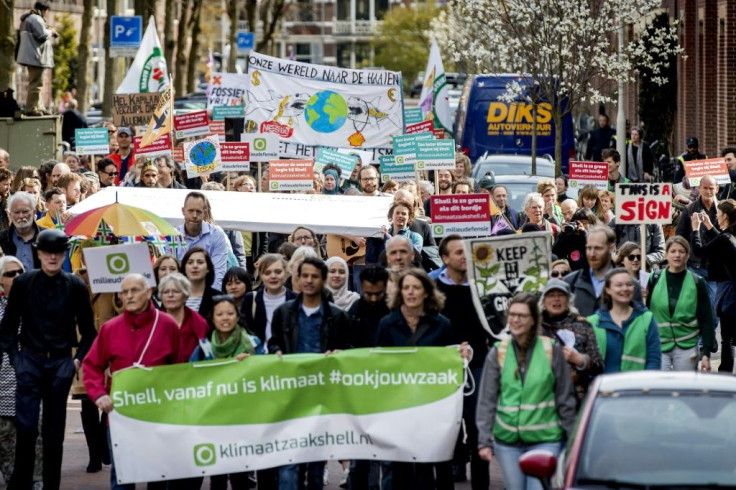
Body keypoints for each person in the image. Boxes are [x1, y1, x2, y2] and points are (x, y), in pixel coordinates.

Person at [0, 229, 96, 489]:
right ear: (39, 254)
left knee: (54, 435)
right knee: (26, 429)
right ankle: (21, 484)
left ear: (64, 254)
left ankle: (51, 486)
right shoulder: (23, 283)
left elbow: (89, 332)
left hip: (60, 364)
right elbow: (7, 329)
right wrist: (17, 360)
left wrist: (75, 363)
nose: (53, 257)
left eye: (58, 252)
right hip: (29, 362)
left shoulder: (75, 285)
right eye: (47, 252)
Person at [83, 273, 181, 490]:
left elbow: (180, 369)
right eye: (124, 291)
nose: (128, 296)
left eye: (134, 290)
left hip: (159, 415)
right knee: (122, 478)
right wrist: (99, 394)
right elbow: (91, 366)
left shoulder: (167, 325)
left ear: (148, 292)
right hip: (121, 417)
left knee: (159, 478)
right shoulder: (110, 328)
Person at [378, 268, 469, 489]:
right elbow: (379, 364)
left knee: (436, 463)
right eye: (406, 287)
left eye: (416, 287)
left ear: (426, 292)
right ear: (400, 292)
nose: (411, 292)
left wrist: (461, 354)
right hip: (400, 407)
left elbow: (451, 359)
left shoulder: (442, 324)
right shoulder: (387, 324)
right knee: (401, 467)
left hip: (433, 407)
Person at [476, 293, 576, 490]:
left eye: (521, 315)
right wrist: (484, 441)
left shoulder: (551, 349)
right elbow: (487, 400)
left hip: (545, 440)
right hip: (507, 443)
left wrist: (572, 440)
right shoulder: (498, 352)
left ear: (534, 320)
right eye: (512, 314)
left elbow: (565, 398)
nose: (515, 320)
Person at [268, 256, 351, 490]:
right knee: (289, 462)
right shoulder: (284, 313)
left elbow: (348, 349)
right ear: (297, 278)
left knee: (315, 467)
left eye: (314, 276)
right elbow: (274, 343)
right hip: (291, 396)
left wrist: (339, 353)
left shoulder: (337, 316)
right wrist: (276, 352)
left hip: (322, 398)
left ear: (323, 280)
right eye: (305, 275)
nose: (309, 280)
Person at [434, 235, 491, 490]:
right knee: (447, 429)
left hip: (477, 362)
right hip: (443, 366)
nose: (464, 256)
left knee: (477, 427)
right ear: (445, 258)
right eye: (458, 252)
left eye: (466, 251)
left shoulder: (483, 285)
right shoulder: (433, 289)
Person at [0, 256, 43, 487]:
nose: (16, 277)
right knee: (10, 475)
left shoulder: (38, 307)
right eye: (9, 274)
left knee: (36, 475)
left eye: (19, 272)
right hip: (2, 403)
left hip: (33, 399)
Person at [646, 236, 714, 372]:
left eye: (681, 251)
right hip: (659, 345)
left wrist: (706, 353)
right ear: (666, 255)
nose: (677, 255)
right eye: (673, 251)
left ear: (687, 255)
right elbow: (644, 313)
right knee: (661, 387)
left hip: (687, 346)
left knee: (685, 387)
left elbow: (707, 319)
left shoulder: (697, 282)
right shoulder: (654, 279)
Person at [540, 280, 603, 402]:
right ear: (544, 300)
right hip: (545, 398)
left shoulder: (583, 325)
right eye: (551, 295)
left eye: (561, 295)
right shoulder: (536, 328)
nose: (556, 299)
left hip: (577, 398)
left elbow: (599, 366)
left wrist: (580, 360)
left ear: (568, 300)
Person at [586, 268, 661, 372]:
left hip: (637, 386)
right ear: (608, 289)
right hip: (605, 386)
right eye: (619, 285)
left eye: (629, 284)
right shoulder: (593, 322)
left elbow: (653, 360)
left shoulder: (647, 319)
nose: (625, 289)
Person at [693, 198, 736, 373]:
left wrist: (696, 229)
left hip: (728, 291)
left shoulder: (726, 238)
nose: (716, 217)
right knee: (730, 337)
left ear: (725, 215)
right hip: (730, 288)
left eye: (718, 214)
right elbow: (721, 241)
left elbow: (700, 251)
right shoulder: (730, 235)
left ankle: (725, 372)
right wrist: (709, 226)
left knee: (727, 337)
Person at [676, 175, 720, 302]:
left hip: (716, 267)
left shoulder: (723, 209)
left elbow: (727, 238)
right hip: (694, 265)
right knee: (694, 303)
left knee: (714, 305)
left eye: (711, 188)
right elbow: (680, 237)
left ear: (717, 189)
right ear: (699, 189)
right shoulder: (689, 209)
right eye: (705, 188)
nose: (708, 191)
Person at [176, 192, 229, 288]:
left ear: (204, 213)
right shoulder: (172, 236)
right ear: (183, 211)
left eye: (198, 211)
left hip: (208, 295)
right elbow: (170, 273)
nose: (194, 215)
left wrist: (207, 300)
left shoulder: (217, 236)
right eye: (190, 211)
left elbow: (218, 274)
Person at [564, 225, 620, 316]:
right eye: (589, 248)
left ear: (611, 248)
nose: (592, 254)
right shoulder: (570, 282)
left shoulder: (628, 284)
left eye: (598, 248)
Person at [157, 272, 209, 363]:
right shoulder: (154, 323)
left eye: (176, 291)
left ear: (185, 296)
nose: (170, 295)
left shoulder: (198, 322)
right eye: (166, 292)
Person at [17, 1, 55, 116]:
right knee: (36, 84)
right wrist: (51, 31)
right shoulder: (36, 19)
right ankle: (32, 108)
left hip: (33, 57)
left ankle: (39, 106)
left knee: (38, 83)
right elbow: (42, 35)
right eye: (46, 12)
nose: (46, 15)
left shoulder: (29, 19)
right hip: (36, 57)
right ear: (43, 10)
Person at [0, 192, 42, 271]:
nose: (21, 216)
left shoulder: (46, 236)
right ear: (10, 214)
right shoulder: (2, 239)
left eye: (25, 212)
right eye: (16, 212)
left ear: (34, 212)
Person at [180, 246, 222, 321]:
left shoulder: (219, 298)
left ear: (208, 268)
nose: (195, 266)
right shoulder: (174, 296)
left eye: (200, 262)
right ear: (184, 268)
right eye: (190, 262)